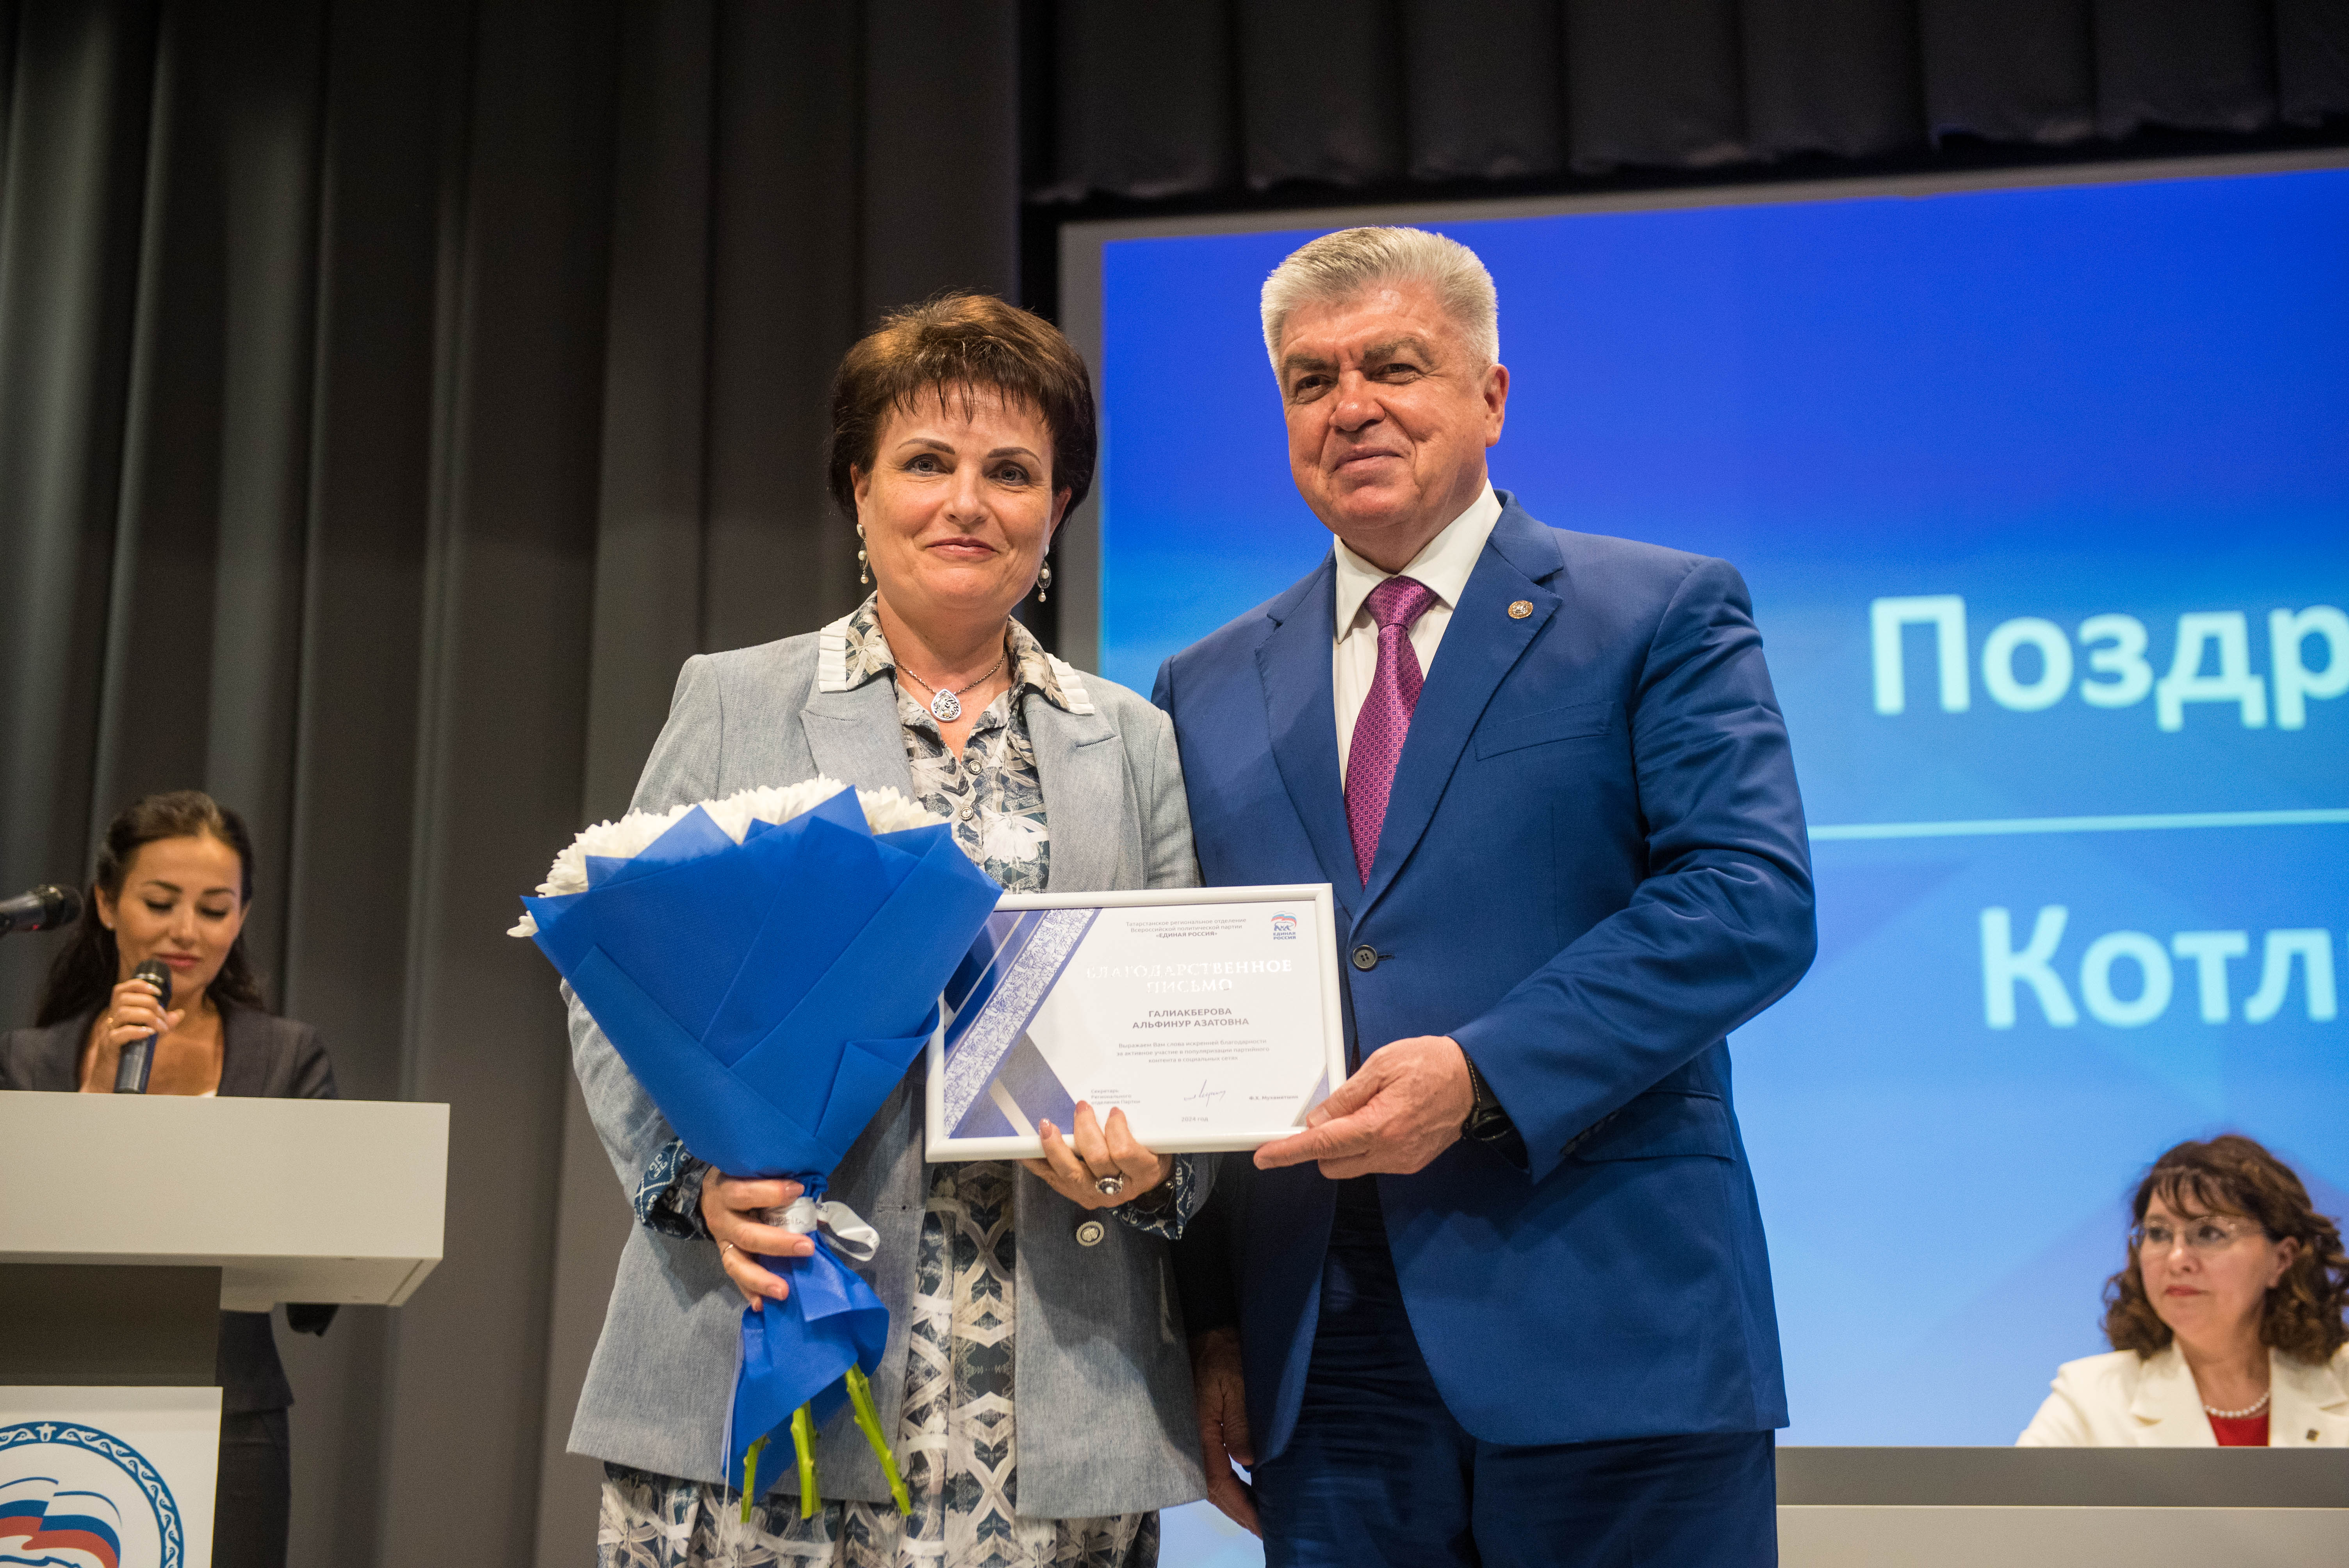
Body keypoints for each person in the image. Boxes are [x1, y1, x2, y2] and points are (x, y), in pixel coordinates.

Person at [1153, 227, 1815, 1566]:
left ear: (1490, 395)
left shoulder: (1659, 611)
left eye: (1393, 366)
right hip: (1323, 1365)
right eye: (1309, 380)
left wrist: (1479, 1074)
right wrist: (1210, 1322)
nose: (1350, 407)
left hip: (1611, 1323)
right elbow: (1194, 1003)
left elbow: (1746, 896)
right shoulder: (1201, 685)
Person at [569, 293, 1208, 1568]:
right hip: (771, 1332)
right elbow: (619, 980)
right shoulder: (735, 698)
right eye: (925, 462)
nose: (967, 502)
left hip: (1047, 1384)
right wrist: (695, 1183)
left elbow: (1181, 1021)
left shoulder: (1132, 738)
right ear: (859, 490)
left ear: (1058, 507)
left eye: (1011, 471)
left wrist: (1157, 1166)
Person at [0, 789, 337, 1568]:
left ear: (241, 918)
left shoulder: (288, 1058)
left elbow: (317, 1269)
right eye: (160, 902)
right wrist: (93, 1102)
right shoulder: (27, 1061)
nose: (187, 930)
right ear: (106, 903)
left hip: (233, 1416)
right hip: (42, 1397)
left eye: (215, 909)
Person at [2018, 1135, 2349, 1447]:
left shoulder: (2343, 1379)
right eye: (2158, 1234)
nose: (2177, 1260)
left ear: (2282, 1259)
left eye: (2210, 1233)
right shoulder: (2090, 1398)